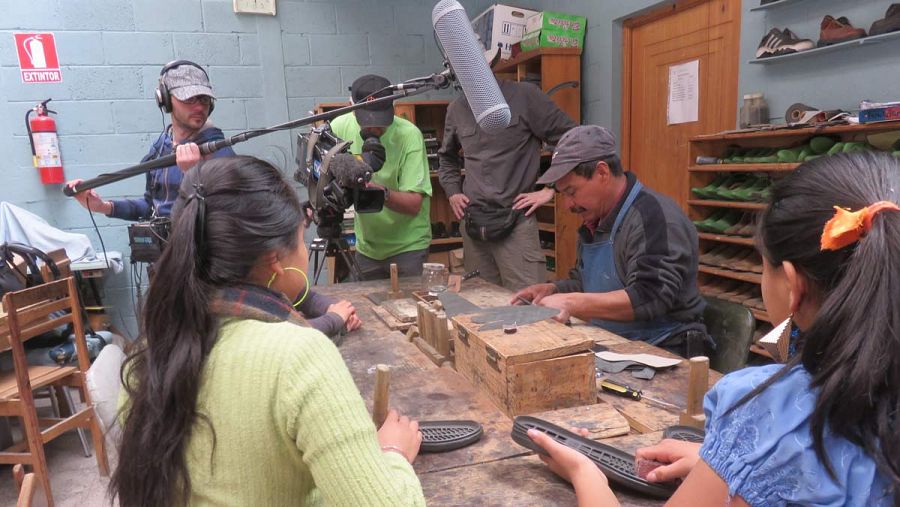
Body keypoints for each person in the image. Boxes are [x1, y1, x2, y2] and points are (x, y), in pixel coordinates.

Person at [528, 152, 899, 506]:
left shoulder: (767, 414)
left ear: (793, 286)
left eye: (761, 265)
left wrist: (585, 473)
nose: (570, 203)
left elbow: (651, 296)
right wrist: (731, 461)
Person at [111, 156, 425, 506]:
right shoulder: (298, 355)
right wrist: (393, 454)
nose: (305, 252)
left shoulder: (153, 349)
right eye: (302, 241)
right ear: (276, 260)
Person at [511, 125, 707, 355]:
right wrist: (552, 290)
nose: (568, 205)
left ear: (602, 173)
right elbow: (590, 284)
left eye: (572, 192)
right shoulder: (595, 219)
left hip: (666, 350)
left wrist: (571, 303)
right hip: (615, 343)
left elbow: (651, 296)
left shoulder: (654, 218)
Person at [438, 79, 576, 291]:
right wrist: (453, 192)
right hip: (474, 223)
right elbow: (447, 157)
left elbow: (572, 139)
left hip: (516, 221)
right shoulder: (457, 108)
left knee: (528, 305)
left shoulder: (525, 96)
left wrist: (551, 188)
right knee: (481, 301)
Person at [67, 60, 235, 220]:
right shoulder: (161, 147)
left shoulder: (219, 153)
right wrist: (103, 207)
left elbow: (229, 216)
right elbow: (152, 207)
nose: (199, 107)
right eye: (189, 99)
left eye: (204, 100)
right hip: (166, 247)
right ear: (166, 100)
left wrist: (194, 175)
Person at [329, 74, 432, 281]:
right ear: (352, 108)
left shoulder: (409, 135)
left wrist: (379, 193)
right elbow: (323, 169)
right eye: (367, 122)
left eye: (381, 122)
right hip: (367, 248)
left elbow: (414, 205)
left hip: (408, 247)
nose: (375, 129)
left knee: (411, 309)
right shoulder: (339, 127)